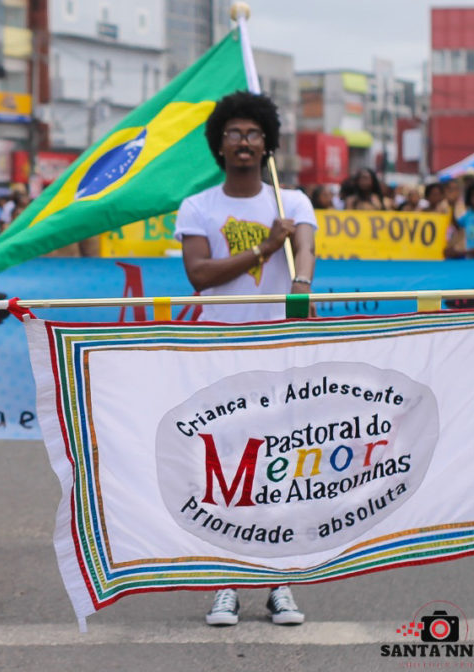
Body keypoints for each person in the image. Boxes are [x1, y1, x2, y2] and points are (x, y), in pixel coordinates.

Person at [176, 90, 316, 624]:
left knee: (278, 463)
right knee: (226, 466)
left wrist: (300, 282)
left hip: (278, 350)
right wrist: (262, 248)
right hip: (221, 350)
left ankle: (279, 582)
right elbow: (199, 275)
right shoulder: (199, 207)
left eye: (254, 134)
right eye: (233, 133)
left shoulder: (292, 201)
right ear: (219, 145)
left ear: (267, 144)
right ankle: (225, 582)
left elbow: (304, 248)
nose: (244, 142)